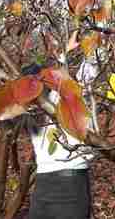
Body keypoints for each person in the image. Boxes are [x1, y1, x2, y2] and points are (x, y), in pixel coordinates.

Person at [24, 55, 98, 219]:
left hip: (70, 182)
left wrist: (88, 47)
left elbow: (86, 77)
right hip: (43, 183)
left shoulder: (64, 99)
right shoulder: (29, 112)